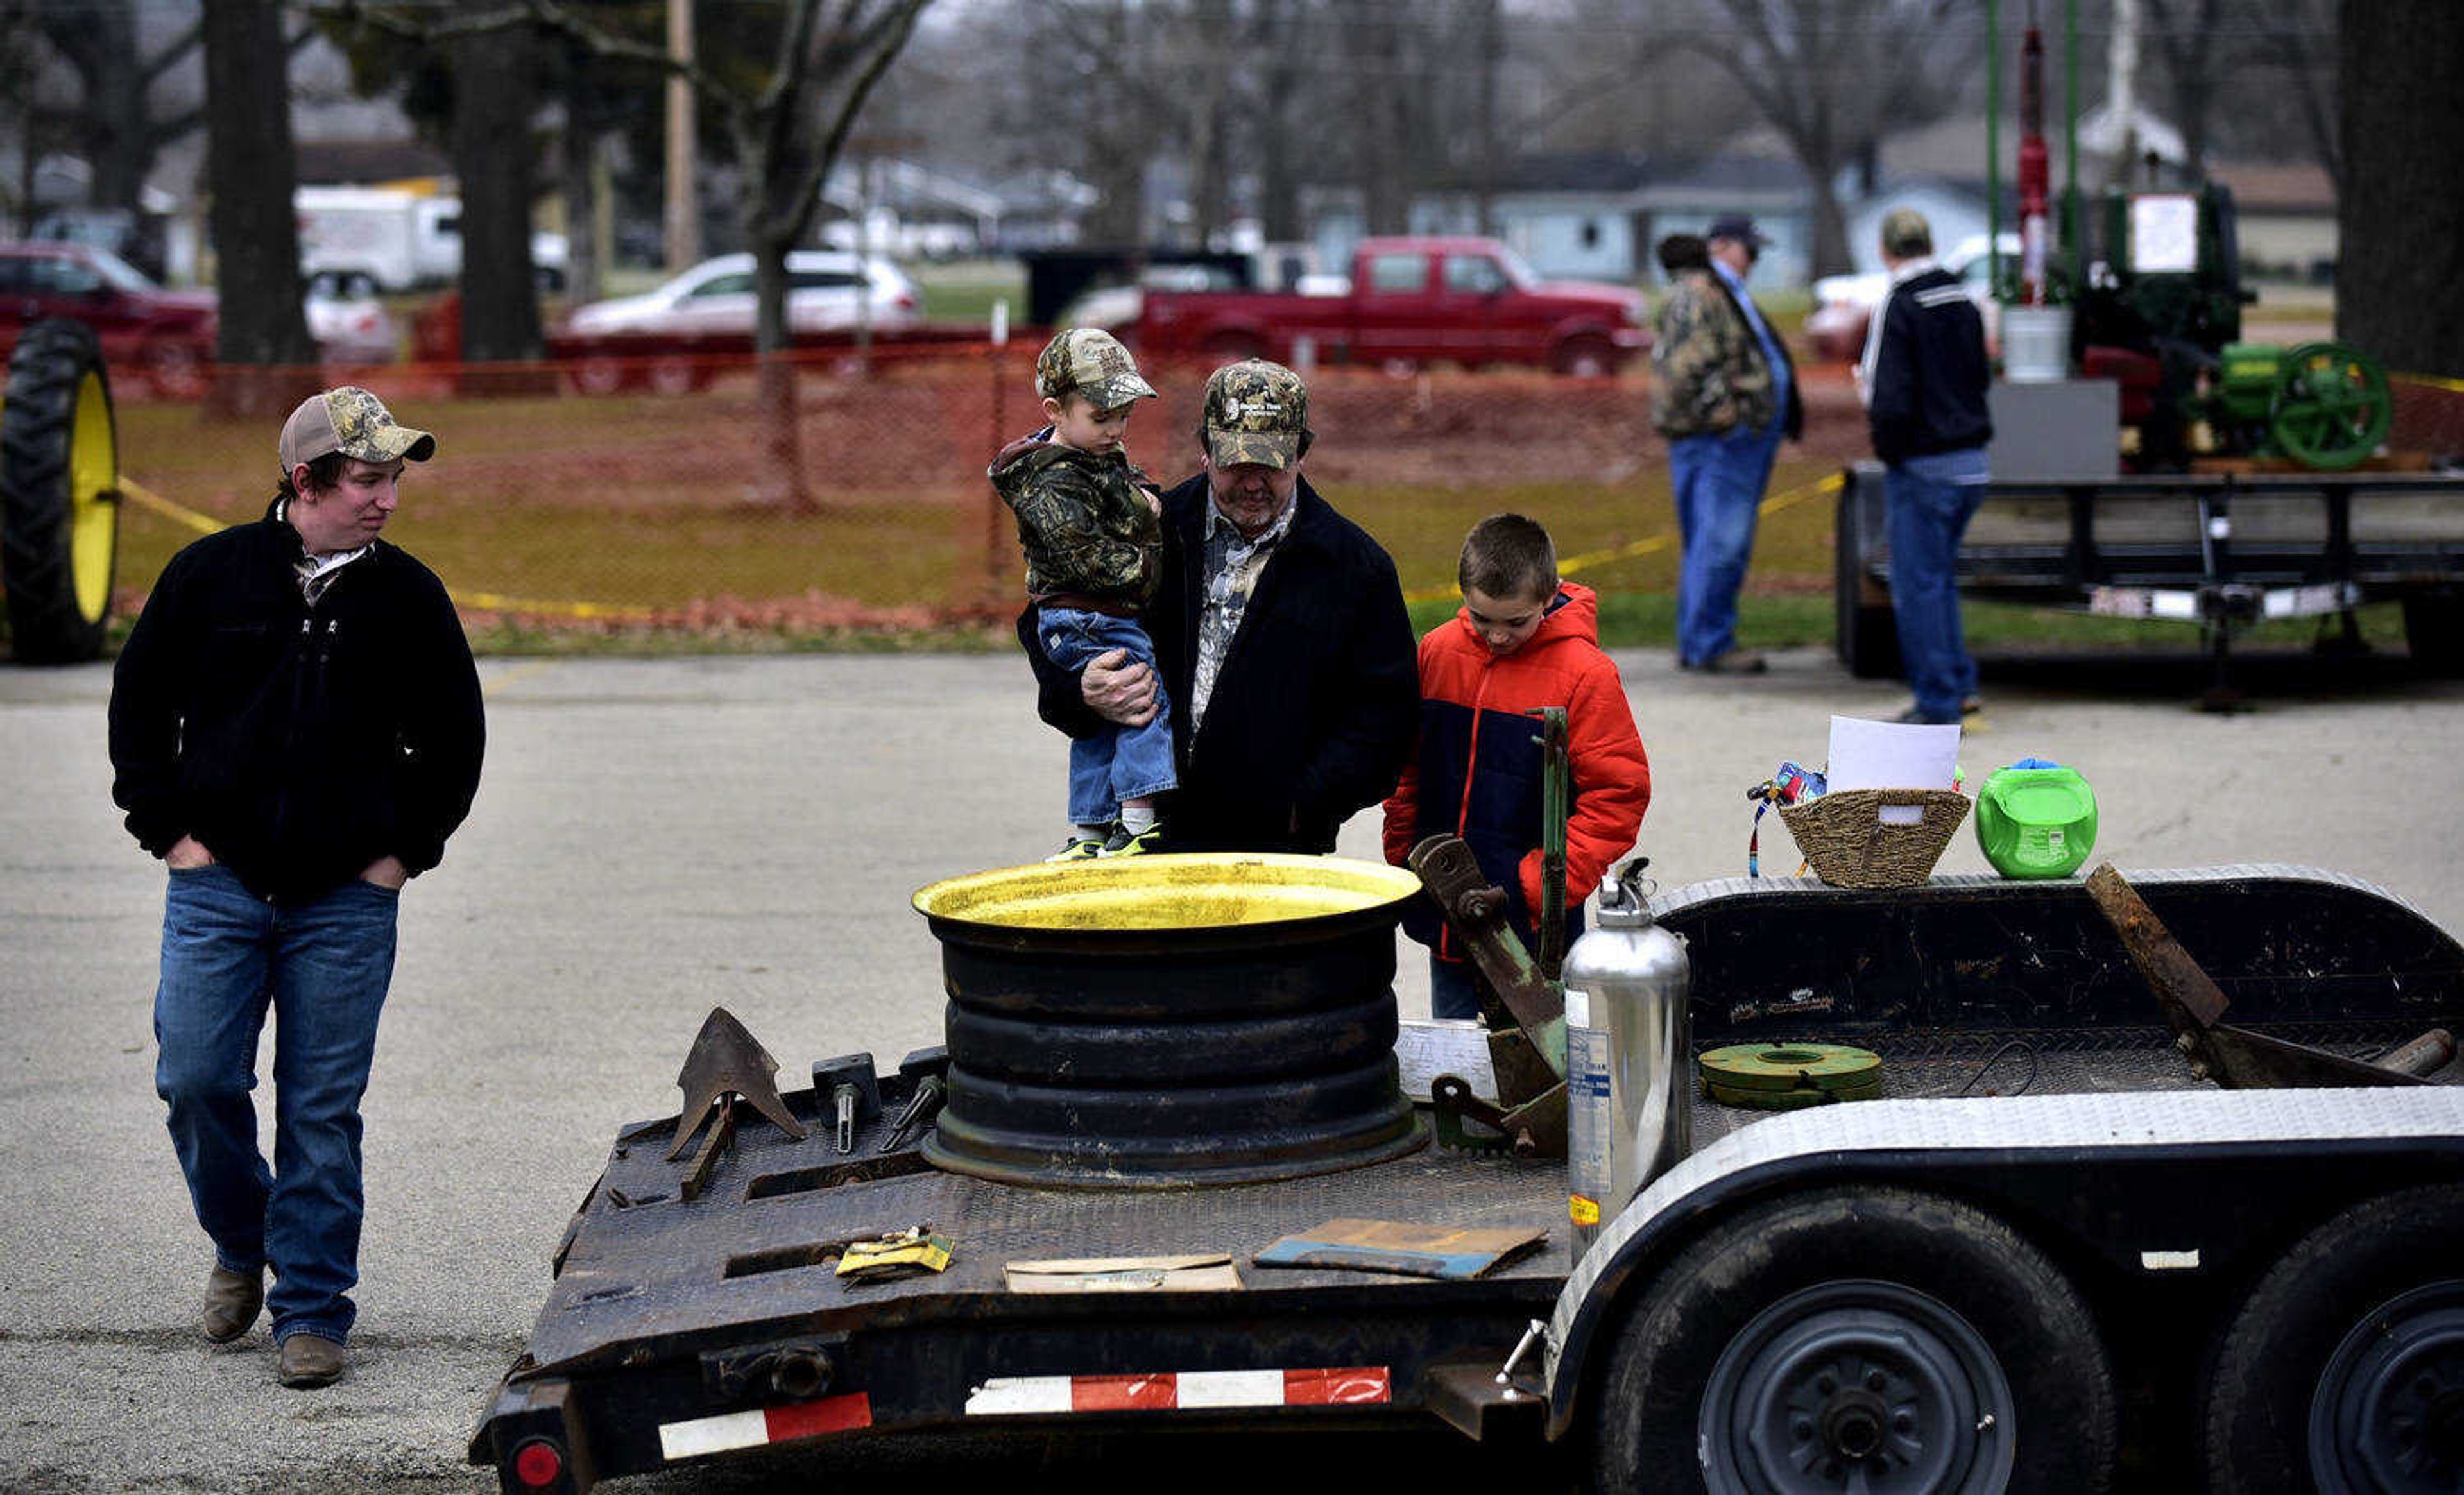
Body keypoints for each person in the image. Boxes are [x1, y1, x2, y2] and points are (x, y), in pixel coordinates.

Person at [108, 387, 485, 1390]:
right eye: (367, 479)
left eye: (394, 479)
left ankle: (312, 1308)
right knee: (194, 1080)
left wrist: (402, 853)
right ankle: (243, 1241)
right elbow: (139, 711)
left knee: (321, 1109)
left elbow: (454, 743)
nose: (387, 500)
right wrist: (172, 835)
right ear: (305, 481)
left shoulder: (409, 597)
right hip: (217, 885)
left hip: (347, 900)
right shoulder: (209, 576)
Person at [1022, 358, 1418, 855]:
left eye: (1271, 464)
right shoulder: (1147, 529)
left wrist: (1302, 808)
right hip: (1145, 847)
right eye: (1237, 463)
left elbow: (1385, 718)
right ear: (1205, 451)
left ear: (1302, 453)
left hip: (1280, 859)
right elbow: (1051, 620)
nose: (1253, 483)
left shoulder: (1355, 568)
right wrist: (1080, 690)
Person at [1381, 515, 1650, 1019]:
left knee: (1544, 1060)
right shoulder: (1437, 652)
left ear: (1548, 598)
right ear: (1463, 594)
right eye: (1482, 620)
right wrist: (1406, 852)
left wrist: (1541, 886)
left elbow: (1618, 795)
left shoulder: (1587, 675)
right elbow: (1409, 764)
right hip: (1448, 905)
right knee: (1457, 1049)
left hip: (1532, 919)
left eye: (1516, 622)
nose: (1498, 636)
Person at [991, 328, 1175, 859]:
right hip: (1091, 614)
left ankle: (1091, 830)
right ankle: (1139, 817)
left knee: (1101, 721)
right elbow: (1091, 561)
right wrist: (1148, 527)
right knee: (1141, 698)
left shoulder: (1089, 457)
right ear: (1055, 410)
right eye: (1101, 417)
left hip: (1080, 614)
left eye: (1124, 417)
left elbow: (1124, 484)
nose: (1116, 430)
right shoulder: (1051, 482)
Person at [1857, 207, 1994, 726]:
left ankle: (1937, 703)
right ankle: (1961, 684)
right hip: (1972, 463)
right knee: (1939, 581)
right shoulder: (1963, 298)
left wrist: (1889, 449)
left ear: (1886, 250)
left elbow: (1885, 391)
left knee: (1917, 587)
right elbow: (1980, 375)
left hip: (1924, 464)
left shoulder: (1900, 302)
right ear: (1930, 243)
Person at [1650, 214, 1804, 676]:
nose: (1754, 259)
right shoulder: (1702, 293)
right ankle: (1710, 642)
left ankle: (1703, 639)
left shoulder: (1718, 291)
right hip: (1723, 442)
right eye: (1748, 249)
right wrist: (1730, 416)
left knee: (1711, 541)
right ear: (1721, 246)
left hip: (1733, 441)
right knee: (1720, 543)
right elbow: (1687, 370)